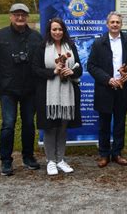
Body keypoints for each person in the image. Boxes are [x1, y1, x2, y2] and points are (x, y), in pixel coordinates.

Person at [0, 3, 43, 176]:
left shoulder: (36, 37)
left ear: (27, 17)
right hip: (8, 89)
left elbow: (41, 60)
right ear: (10, 16)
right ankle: (6, 161)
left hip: (29, 89)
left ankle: (28, 157)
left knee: (28, 124)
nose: (20, 18)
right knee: (8, 125)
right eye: (16, 15)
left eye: (23, 15)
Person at [87, 11, 127, 168]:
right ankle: (104, 154)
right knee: (104, 123)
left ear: (121, 24)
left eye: (118, 22)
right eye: (112, 22)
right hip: (105, 88)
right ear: (107, 24)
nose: (115, 24)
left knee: (120, 122)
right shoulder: (99, 43)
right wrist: (107, 79)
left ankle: (117, 153)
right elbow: (91, 66)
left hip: (123, 89)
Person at [31, 18, 83, 175]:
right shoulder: (42, 47)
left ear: (64, 30)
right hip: (48, 94)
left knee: (62, 127)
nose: (57, 32)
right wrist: (52, 72)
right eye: (54, 29)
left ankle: (60, 159)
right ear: (49, 31)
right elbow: (34, 69)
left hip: (68, 93)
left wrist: (72, 72)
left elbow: (79, 67)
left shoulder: (71, 46)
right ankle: (50, 161)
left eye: (60, 29)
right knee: (50, 127)